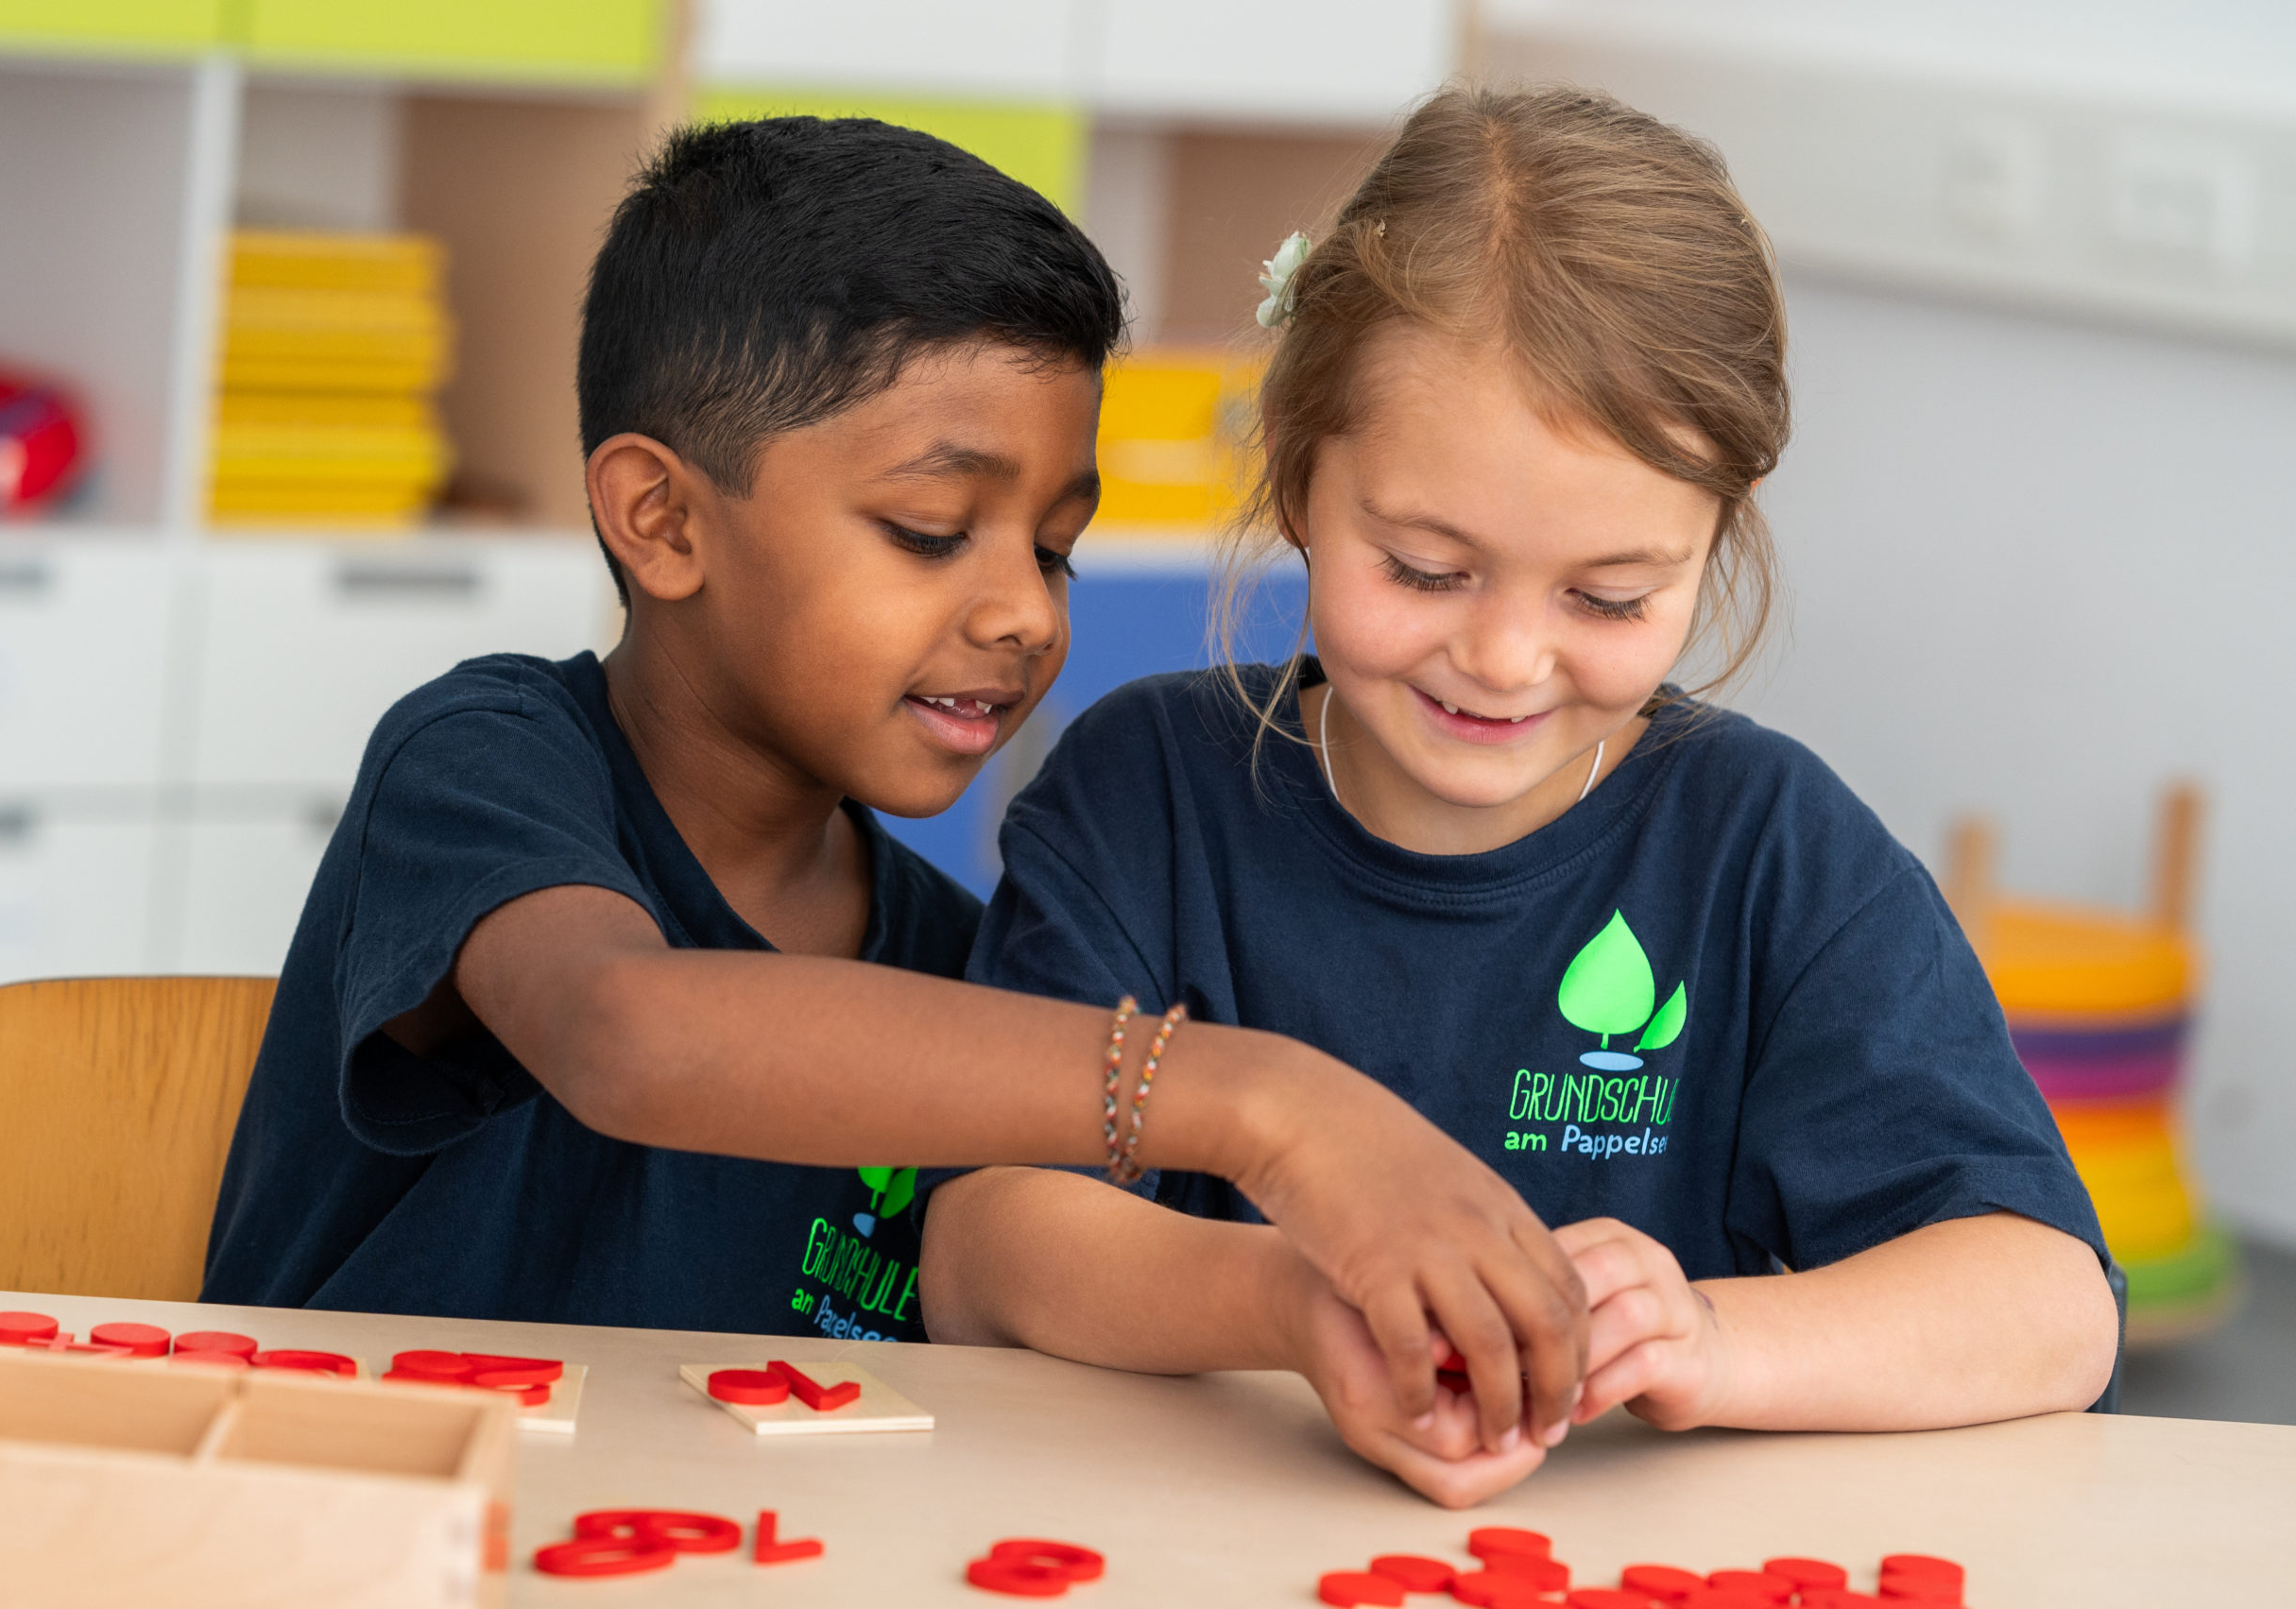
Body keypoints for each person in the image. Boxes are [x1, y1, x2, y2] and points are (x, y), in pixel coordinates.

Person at [199, 114, 1589, 1446]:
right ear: (663, 518)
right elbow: (626, 1032)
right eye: (931, 532)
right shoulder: (487, 759)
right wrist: (1260, 1098)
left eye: (1053, 549)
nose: (1029, 618)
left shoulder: (952, 963)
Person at [920, 84, 2121, 1508]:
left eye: (1611, 595)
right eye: (1426, 569)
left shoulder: (1769, 848)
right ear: (1300, 478)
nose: (1501, 659)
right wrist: (1294, 1302)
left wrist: (1715, 1342)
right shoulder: (1143, 794)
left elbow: (2054, 1304)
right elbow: (982, 1253)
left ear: (1709, 547)